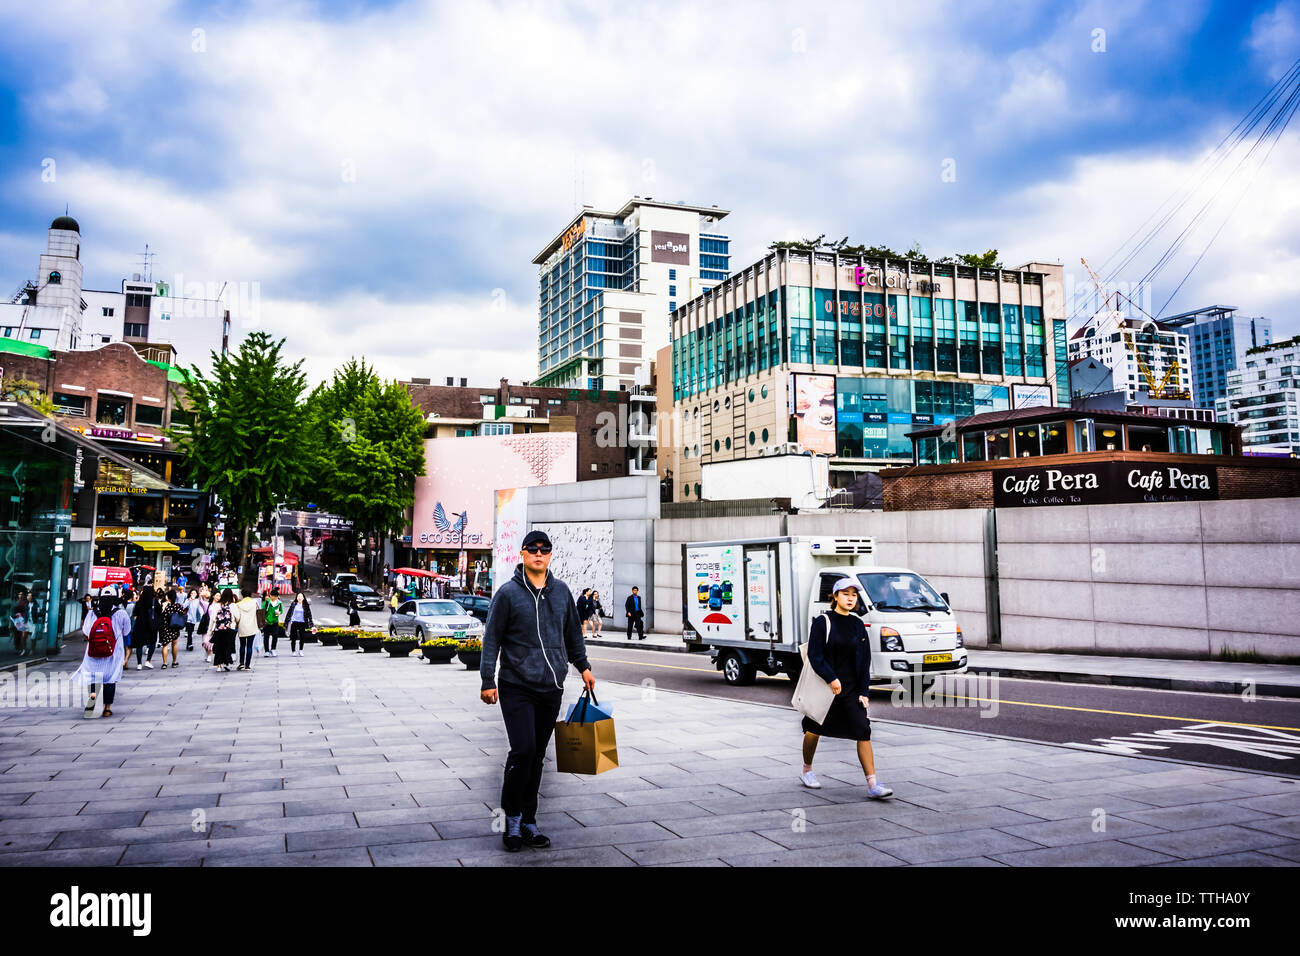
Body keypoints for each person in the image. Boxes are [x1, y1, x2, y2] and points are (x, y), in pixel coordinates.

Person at [480, 530, 594, 853]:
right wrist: (488, 679)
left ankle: (529, 821)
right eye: (533, 549)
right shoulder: (507, 594)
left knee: (538, 756)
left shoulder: (561, 593)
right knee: (523, 750)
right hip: (516, 685)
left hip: (551, 688)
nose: (539, 554)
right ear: (523, 553)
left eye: (545, 549)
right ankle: (511, 821)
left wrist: (583, 667)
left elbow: (573, 635)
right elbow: (492, 639)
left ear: (550, 555)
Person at [798, 578, 892, 799]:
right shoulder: (823, 622)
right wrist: (831, 678)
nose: (850, 598)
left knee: (863, 729)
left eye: (854, 594)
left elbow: (864, 659)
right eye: (845, 594)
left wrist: (864, 691)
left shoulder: (858, 624)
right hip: (826, 688)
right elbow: (815, 655)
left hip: (850, 690)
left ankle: (873, 784)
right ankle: (807, 770)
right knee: (813, 729)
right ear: (835, 597)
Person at [72, 595, 127, 718]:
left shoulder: (92, 613)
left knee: (94, 678)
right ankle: (107, 709)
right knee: (110, 679)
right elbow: (126, 631)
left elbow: (86, 631)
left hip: (94, 650)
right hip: (113, 651)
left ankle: (91, 705)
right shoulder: (121, 613)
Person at [131, 584, 160, 669]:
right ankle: (148, 661)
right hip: (151, 626)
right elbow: (159, 611)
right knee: (152, 643)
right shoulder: (154, 601)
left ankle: (139, 663)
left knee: (139, 644)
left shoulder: (139, 602)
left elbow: (135, 614)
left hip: (140, 625)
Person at [158, 587, 186, 670]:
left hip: (166, 627)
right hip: (175, 627)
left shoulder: (165, 605)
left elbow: (161, 614)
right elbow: (182, 613)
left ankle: (164, 663)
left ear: (168, 597)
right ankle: (174, 662)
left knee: (165, 645)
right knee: (174, 644)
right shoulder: (178, 606)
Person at [233, 588, 260, 671]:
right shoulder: (254, 602)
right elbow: (258, 612)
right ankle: (247, 665)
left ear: (242, 595)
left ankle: (241, 663)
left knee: (242, 645)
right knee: (249, 646)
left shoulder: (239, 604)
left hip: (242, 626)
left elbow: (237, 617)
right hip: (252, 626)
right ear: (250, 594)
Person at [212, 589, 237, 672]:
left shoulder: (217, 605)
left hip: (218, 629)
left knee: (218, 647)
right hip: (229, 629)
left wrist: (210, 630)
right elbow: (237, 616)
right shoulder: (232, 605)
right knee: (227, 647)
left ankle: (219, 666)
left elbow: (212, 618)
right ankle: (226, 663)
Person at [287, 591, 312, 656]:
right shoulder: (294, 604)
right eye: (298, 596)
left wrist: (311, 623)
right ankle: (293, 651)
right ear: (296, 597)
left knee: (302, 637)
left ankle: (301, 650)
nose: (299, 597)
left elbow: (309, 614)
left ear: (303, 598)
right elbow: (289, 613)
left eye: (301, 596)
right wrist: (286, 622)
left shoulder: (306, 605)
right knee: (293, 638)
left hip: (302, 623)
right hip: (294, 622)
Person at [10, 589, 34, 657]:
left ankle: (22, 649)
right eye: (19, 594)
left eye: (22, 594)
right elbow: (12, 611)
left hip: (23, 621)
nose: (20, 595)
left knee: (23, 636)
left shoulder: (25, 603)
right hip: (16, 621)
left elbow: (27, 612)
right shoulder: (15, 602)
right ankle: (18, 648)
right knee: (16, 635)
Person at [261, 591, 285, 658]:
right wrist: (264, 619)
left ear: (277, 597)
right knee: (266, 636)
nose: (273, 597)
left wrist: (279, 613)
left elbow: (281, 611)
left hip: (275, 621)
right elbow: (262, 611)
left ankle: (273, 649)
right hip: (267, 622)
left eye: (275, 596)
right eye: (272, 596)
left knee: (275, 635)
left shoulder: (279, 603)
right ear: (270, 595)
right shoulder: (267, 602)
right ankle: (266, 651)